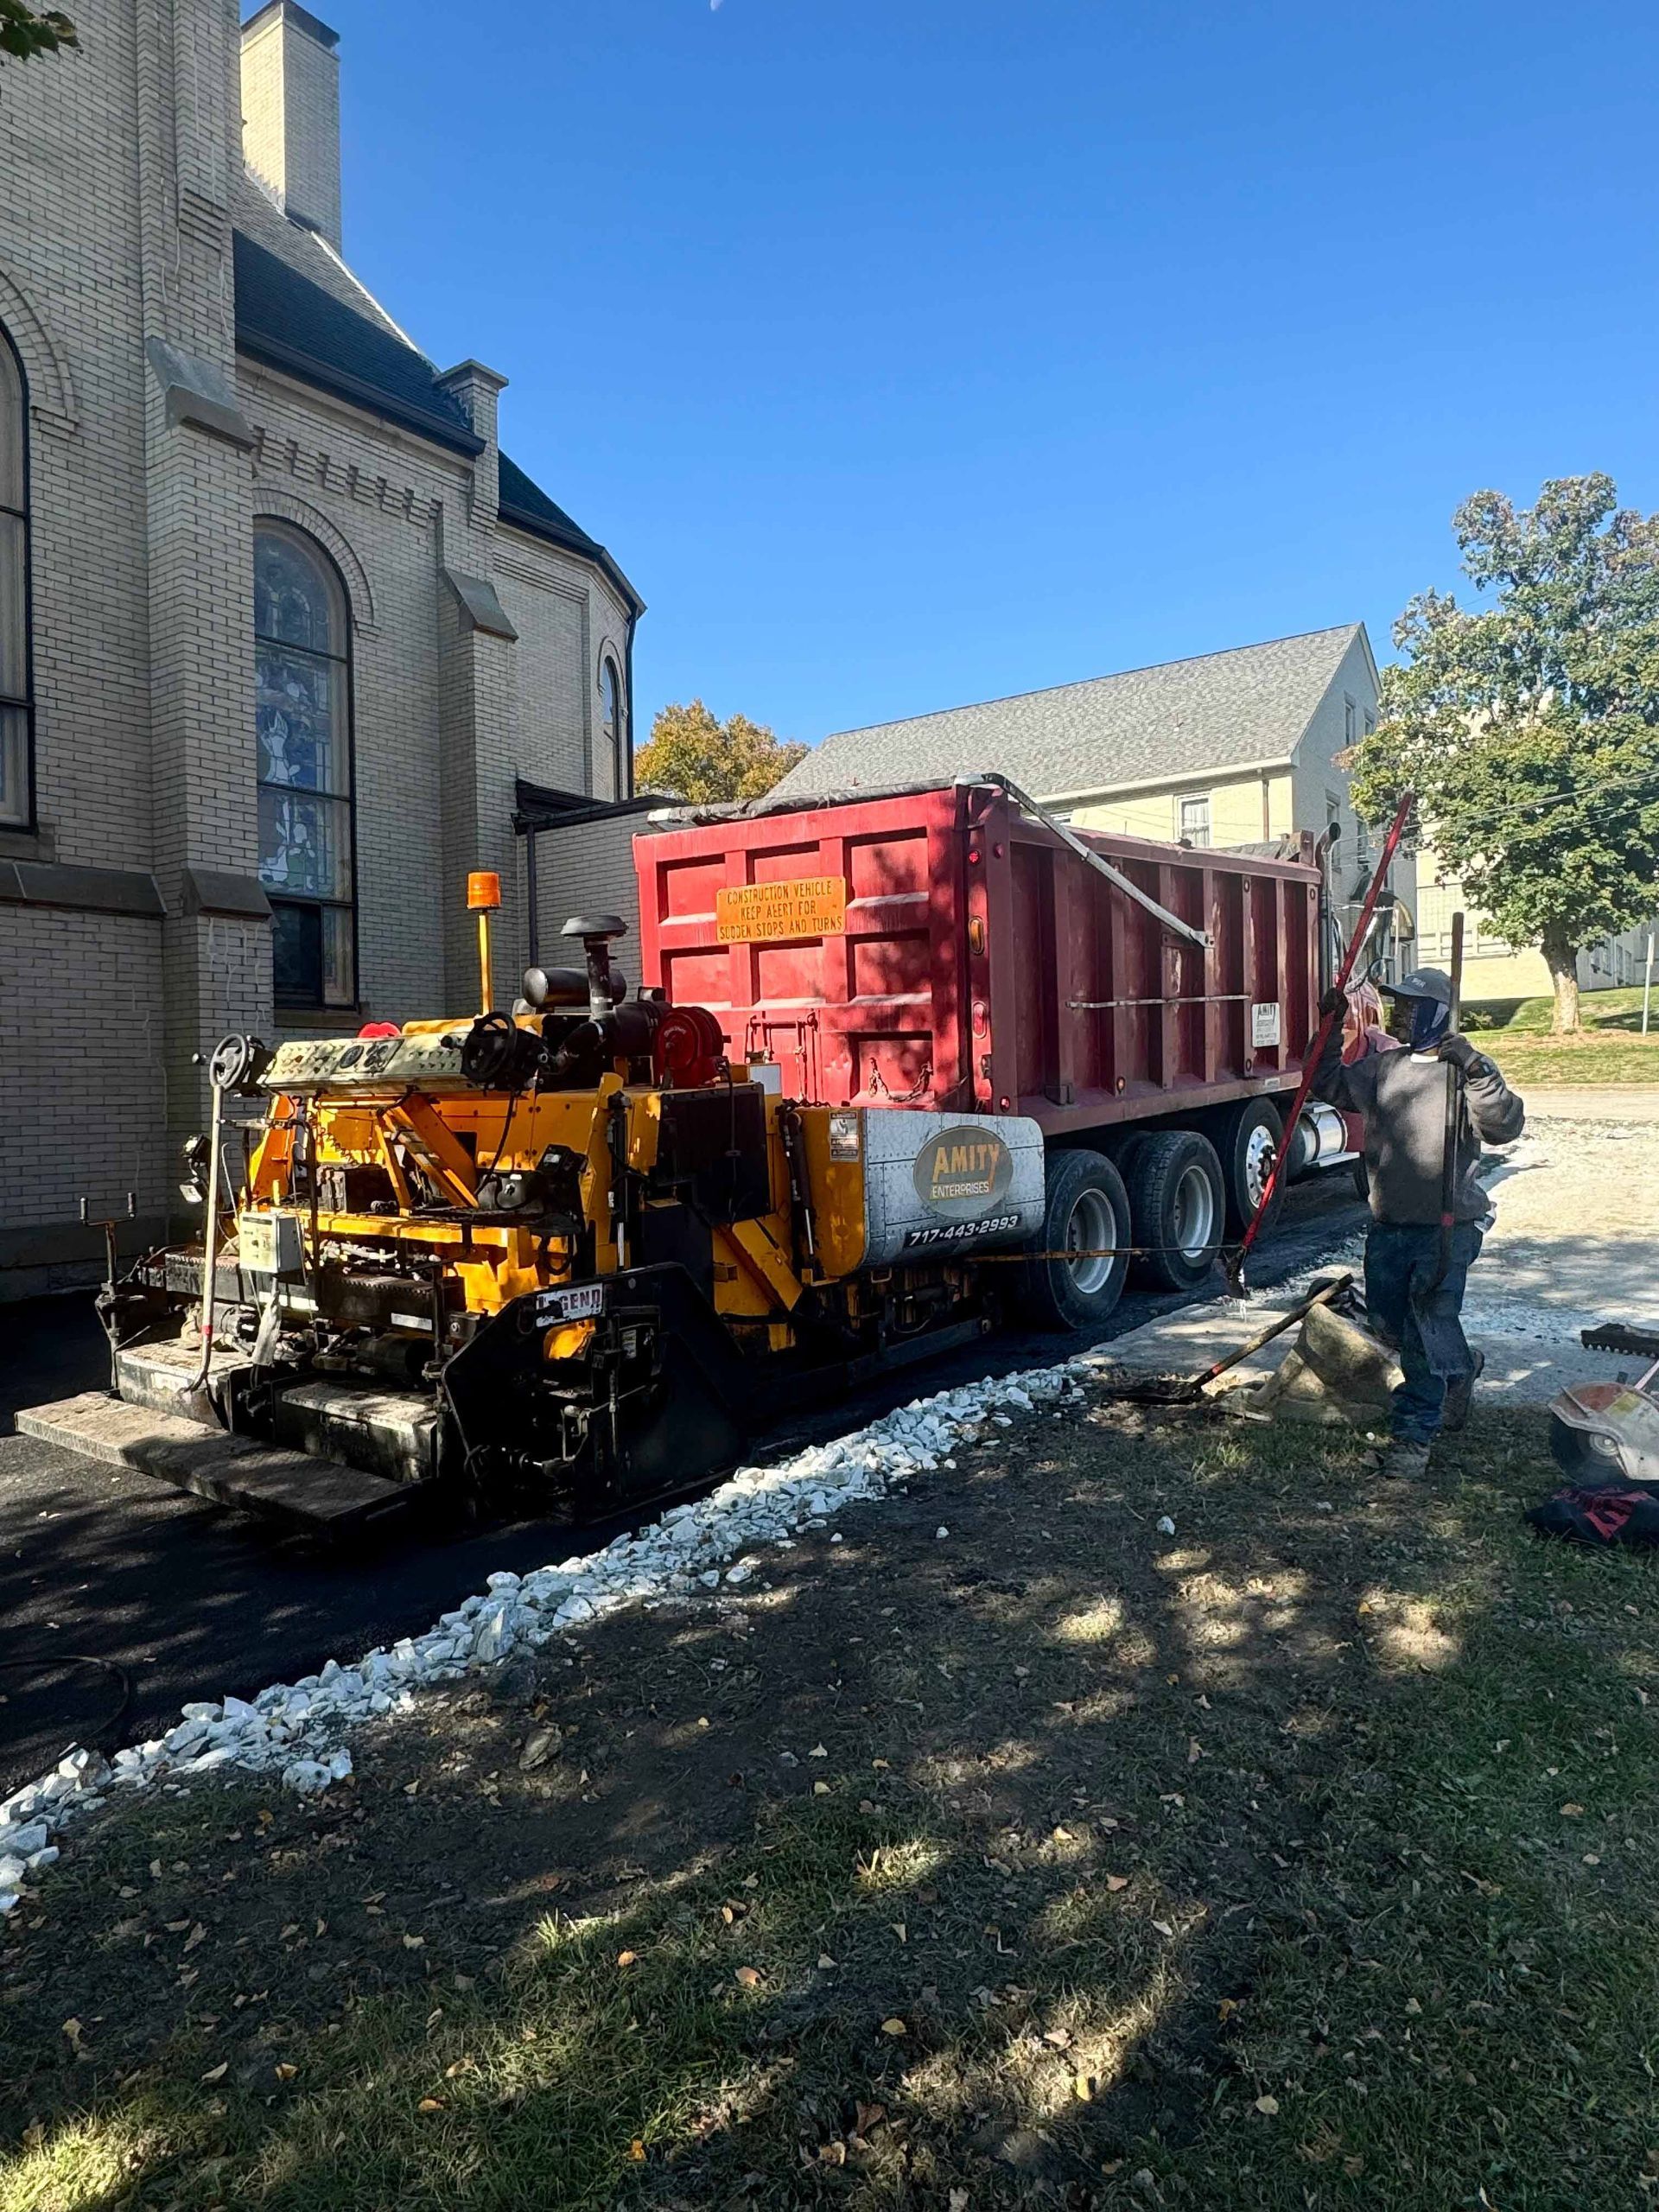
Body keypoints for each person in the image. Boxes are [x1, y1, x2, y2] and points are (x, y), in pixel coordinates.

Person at [1310, 967, 1525, 1472]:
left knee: (1425, 1327)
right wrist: (1329, 1027)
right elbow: (1326, 1083)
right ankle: (1460, 1368)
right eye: (1399, 1004)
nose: (1400, 1013)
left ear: (1437, 1012)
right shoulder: (1384, 1068)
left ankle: (1413, 1438)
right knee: (1390, 1325)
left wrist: (1476, 1069)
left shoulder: (1464, 1071)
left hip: (1447, 1229)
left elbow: (1503, 1127)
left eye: (1411, 1005)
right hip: (1390, 1225)